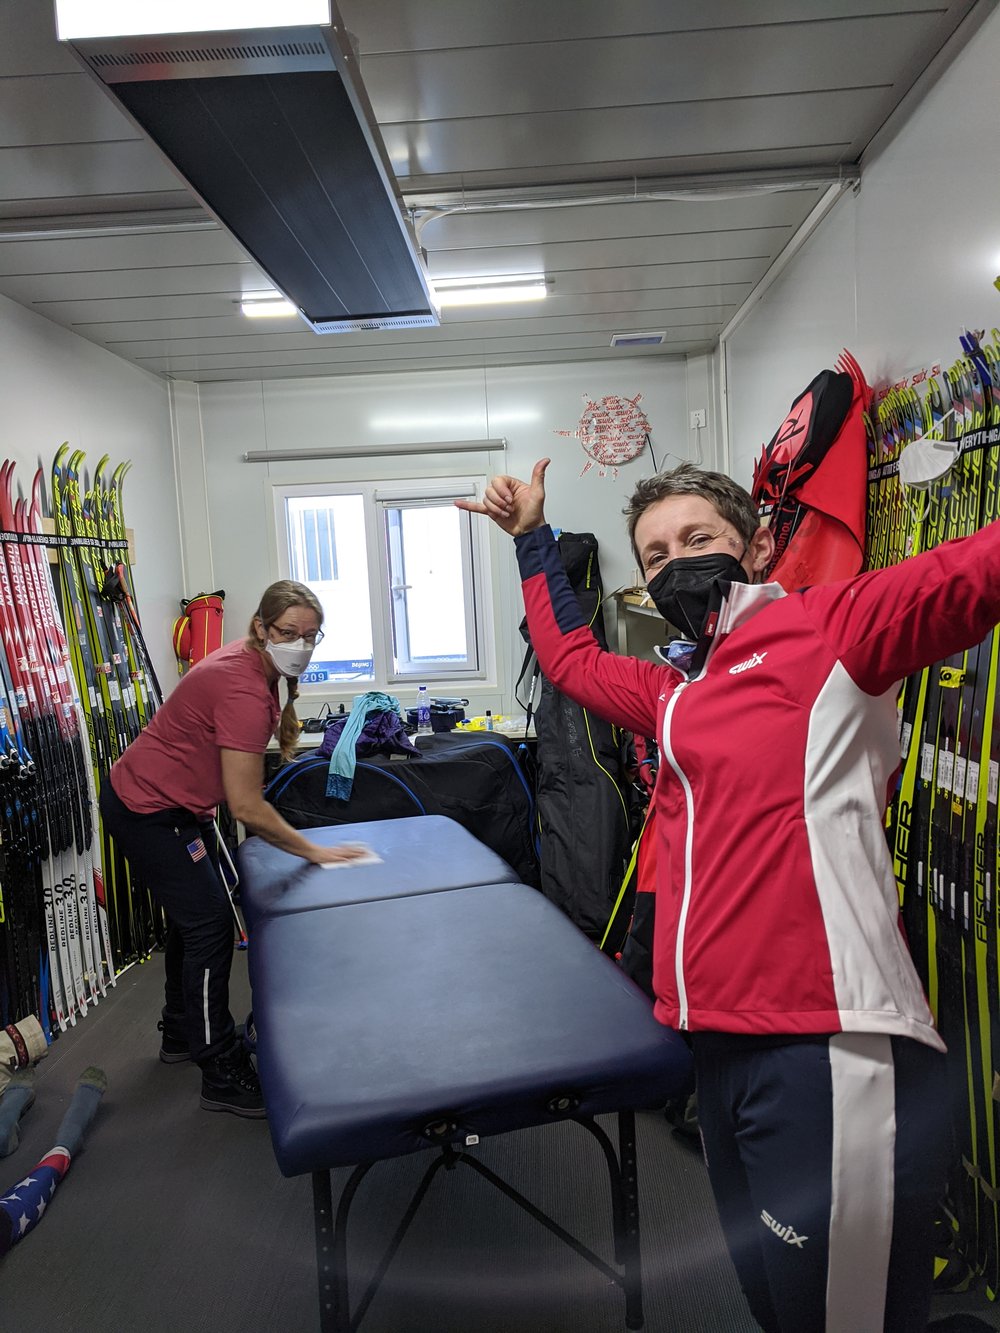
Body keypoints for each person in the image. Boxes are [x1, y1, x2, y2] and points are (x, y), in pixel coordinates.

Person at [457, 457, 992, 1332]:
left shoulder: (834, 630)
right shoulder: (677, 693)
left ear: (761, 543)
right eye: (657, 554)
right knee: (775, 1302)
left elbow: (976, 570)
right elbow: (570, 658)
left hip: (826, 1040)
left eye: (698, 538)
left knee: (841, 1317)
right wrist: (531, 541)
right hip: (717, 1049)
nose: (677, 564)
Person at [99, 580, 369, 1119]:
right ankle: (218, 1069)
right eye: (288, 633)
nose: (300, 645)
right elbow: (245, 806)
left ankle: (179, 1032)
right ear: (261, 630)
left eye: (311, 637)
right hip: (149, 810)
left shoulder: (259, 670)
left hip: (179, 808)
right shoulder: (243, 687)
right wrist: (312, 851)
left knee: (195, 917)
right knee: (210, 926)